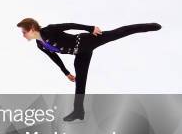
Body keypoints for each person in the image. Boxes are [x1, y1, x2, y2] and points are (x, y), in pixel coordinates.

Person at [17, 18, 161, 121]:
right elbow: (54, 57)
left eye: (24, 32)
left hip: (87, 40)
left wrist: (90, 28)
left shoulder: (49, 30)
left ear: (31, 28)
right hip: (80, 54)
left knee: (117, 33)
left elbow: (70, 25)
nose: (23, 35)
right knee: (80, 82)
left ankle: (150, 26)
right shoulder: (40, 45)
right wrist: (66, 72)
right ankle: (78, 112)